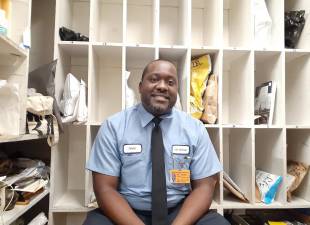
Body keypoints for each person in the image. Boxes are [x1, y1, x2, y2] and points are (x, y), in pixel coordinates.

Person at [83, 59, 230, 225]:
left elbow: (205, 187)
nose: (162, 86)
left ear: (176, 90)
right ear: (140, 87)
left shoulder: (195, 129)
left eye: (170, 82)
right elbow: (105, 189)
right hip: (127, 211)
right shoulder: (113, 127)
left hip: (179, 212)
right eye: (154, 79)